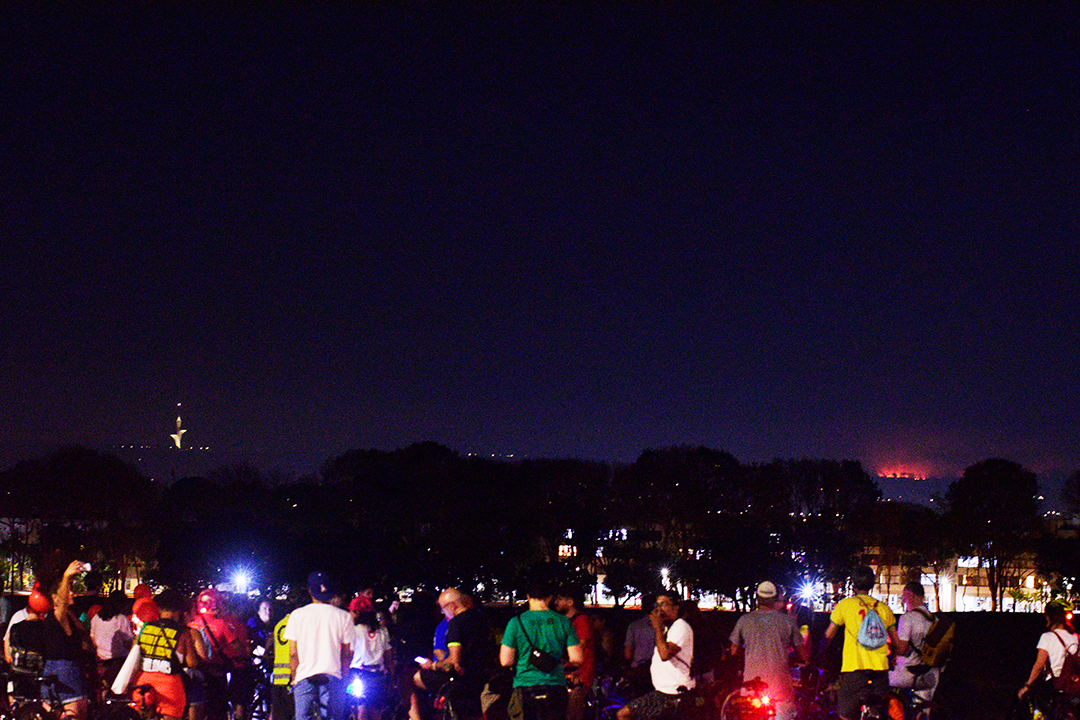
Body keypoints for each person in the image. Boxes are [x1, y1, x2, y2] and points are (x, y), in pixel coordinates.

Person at [823, 566, 904, 720]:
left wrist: (821, 653)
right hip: (880, 674)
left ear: (854, 584)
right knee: (881, 712)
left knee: (845, 715)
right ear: (872, 584)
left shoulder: (845, 605)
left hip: (854, 672)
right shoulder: (885, 609)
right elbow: (897, 644)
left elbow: (828, 636)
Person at [500, 578, 582, 720]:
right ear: (550, 598)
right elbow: (577, 659)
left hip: (525, 686)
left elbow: (506, 661)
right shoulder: (564, 622)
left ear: (528, 597)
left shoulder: (515, 623)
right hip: (555, 686)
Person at [729, 582, 808, 720]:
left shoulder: (744, 620)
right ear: (775, 599)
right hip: (780, 687)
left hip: (751, 688)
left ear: (757, 598)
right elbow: (803, 653)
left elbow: (733, 650)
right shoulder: (787, 621)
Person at [122, 589, 206, 720]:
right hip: (169, 687)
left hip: (143, 685)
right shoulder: (182, 632)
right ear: (178, 611)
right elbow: (192, 663)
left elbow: (134, 654)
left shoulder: (145, 628)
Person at [413, 588, 494, 720]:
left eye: (443, 607)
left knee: (415, 678)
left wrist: (433, 665)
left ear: (452, 605)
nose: (442, 612)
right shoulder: (482, 618)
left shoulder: (456, 623)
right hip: (482, 676)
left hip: (462, 679)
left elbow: (454, 659)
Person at [283, 572, 355, 720]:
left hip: (305, 676)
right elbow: (347, 653)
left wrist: (295, 677)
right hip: (333, 676)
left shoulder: (297, 615)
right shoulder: (344, 617)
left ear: (310, 590)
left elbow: (293, 654)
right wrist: (345, 675)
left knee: (303, 716)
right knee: (333, 716)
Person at [616, 593, 693, 720]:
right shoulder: (670, 628)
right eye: (657, 605)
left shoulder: (681, 626)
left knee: (624, 714)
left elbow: (665, 654)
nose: (659, 609)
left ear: (676, 607)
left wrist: (657, 627)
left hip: (671, 693)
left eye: (664, 604)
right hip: (665, 691)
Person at [1019, 601, 1080, 713]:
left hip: (1053, 685)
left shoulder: (1047, 637)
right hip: (1072, 686)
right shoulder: (1075, 637)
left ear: (1050, 618)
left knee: (1036, 700)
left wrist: (1027, 686)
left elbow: (1039, 664)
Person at [888, 582, 940, 708]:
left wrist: (889, 647)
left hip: (908, 674)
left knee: (880, 681)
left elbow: (901, 649)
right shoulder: (934, 620)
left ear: (910, 595)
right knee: (922, 710)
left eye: (904, 596)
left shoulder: (908, 618)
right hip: (931, 674)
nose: (904, 600)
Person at [553, 587, 595, 720]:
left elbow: (580, 647)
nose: (556, 602)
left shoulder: (581, 620)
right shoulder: (563, 621)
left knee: (573, 713)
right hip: (565, 674)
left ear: (570, 602)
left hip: (579, 676)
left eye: (560, 599)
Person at [349, 595, 392, 720]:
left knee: (359, 708)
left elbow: (348, 654)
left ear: (357, 612)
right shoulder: (382, 630)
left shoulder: (354, 630)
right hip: (377, 675)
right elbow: (388, 654)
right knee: (376, 711)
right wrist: (390, 671)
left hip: (357, 674)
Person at [90, 590, 136, 688]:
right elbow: (127, 642)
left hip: (100, 660)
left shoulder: (96, 618)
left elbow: (93, 640)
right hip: (117, 661)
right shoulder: (121, 619)